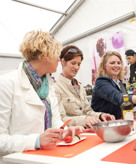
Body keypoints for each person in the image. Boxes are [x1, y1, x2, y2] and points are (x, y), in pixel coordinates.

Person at [0, 30, 85, 161]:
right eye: (57, 54)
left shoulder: (48, 85)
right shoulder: (6, 84)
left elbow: (56, 122)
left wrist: (65, 131)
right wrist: (36, 140)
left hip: (47, 157)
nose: (59, 59)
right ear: (45, 55)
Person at [54, 45, 115, 129]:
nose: (76, 67)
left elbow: (88, 111)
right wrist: (84, 119)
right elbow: (61, 119)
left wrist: (100, 116)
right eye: (73, 63)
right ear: (63, 61)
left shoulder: (79, 85)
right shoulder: (55, 87)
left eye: (79, 64)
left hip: (87, 131)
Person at [91, 51, 136, 119]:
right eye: (112, 63)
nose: (116, 65)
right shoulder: (101, 82)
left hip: (117, 122)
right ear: (104, 66)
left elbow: (125, 104)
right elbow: (118, 98)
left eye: (118, 63)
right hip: (103, 125)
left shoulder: (119, 83)